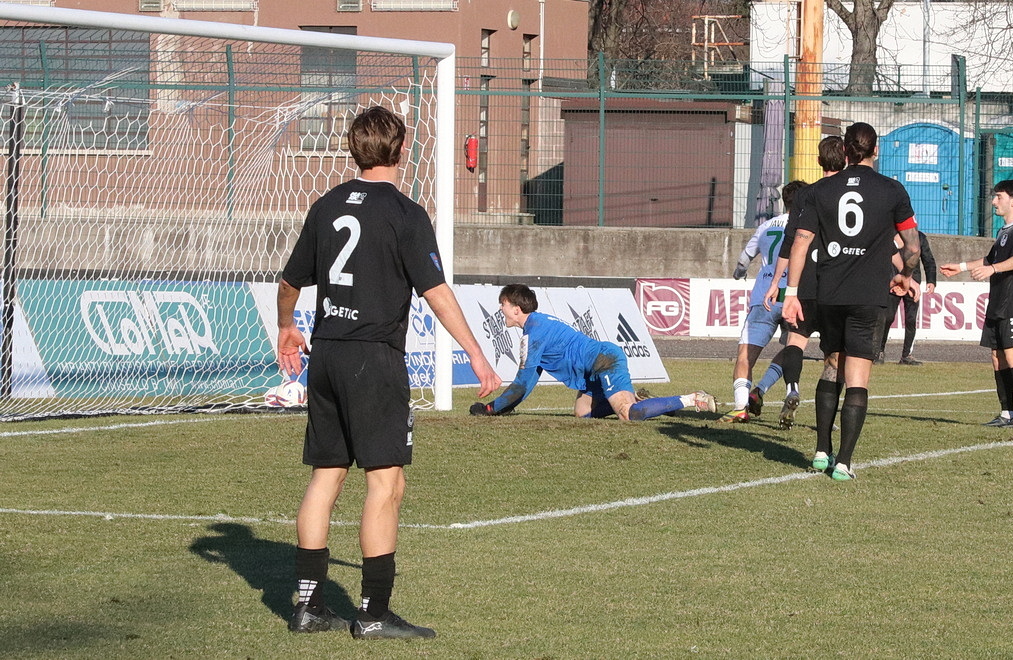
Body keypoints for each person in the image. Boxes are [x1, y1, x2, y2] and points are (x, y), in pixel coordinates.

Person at [277, 105, 501, 640]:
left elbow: (289, 281)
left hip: (327, 353)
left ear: (353, 150)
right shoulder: (405, 213)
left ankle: (308, 607)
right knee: (387, 483)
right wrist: (475, 351)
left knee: (326, 476)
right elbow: (437, 292)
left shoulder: (326, 205)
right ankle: (375, 613)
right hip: (373, 358)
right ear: (402, 150)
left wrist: (287, 326)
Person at [782, 122, 920, 481]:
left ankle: (821, 450)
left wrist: (792, 293)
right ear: (876, 150)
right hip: (869, 297)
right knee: (858, 378)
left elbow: (800, 243)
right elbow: (913, 246)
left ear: (845, 151)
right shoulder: (892, 190)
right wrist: (905, 275)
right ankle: (843, 462)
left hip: (829, 294)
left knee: (831, 366)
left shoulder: (819, 190)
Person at [470, 284, 718, 419]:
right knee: (582, 415)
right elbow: (530, 378)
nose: (500, 309)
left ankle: (692, 398)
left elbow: (523, 382)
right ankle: (644, 401)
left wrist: (491, 409)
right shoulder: (537, 325)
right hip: (592, 371)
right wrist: (504, 408)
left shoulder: (533, 333)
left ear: (515, 309)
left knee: (627, 415)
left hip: (603, 362)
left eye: (502, 304)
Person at [763, 135, 847, 429]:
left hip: (805, 282)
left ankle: (791, 388)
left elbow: (791, 241)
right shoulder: (850, 194)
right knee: (834, 355)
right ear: (846, 158)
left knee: (795, 341)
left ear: (818, 161)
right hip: (837, 283)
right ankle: (829, 416)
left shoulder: (805, 195)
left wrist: (777, 283)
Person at [940, 179, 1013, 429]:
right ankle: (1006, 413)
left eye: (998, 196)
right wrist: (960, 267)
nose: (994, 201)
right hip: (998, 303)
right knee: (997, 358)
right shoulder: (1003, 232)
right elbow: (989, 258)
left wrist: (992, 269)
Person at [720, 181, 805, 423]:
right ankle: (762, 390)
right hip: (794, 295)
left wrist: (738, 273)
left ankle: (740, 406)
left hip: (765, 294)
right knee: (793, 348)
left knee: (746, 354)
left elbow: (744, 259)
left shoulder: (766, 226)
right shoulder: (808, 228)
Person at [878, 231, 937, 365]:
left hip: (913, 285)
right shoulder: (888, 235)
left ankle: (906, 355)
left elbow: (928, 259)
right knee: (887, 318)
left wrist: (931, 281)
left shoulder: (920, 237)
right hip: (894, 284)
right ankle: (879, 351)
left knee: (911, 319)